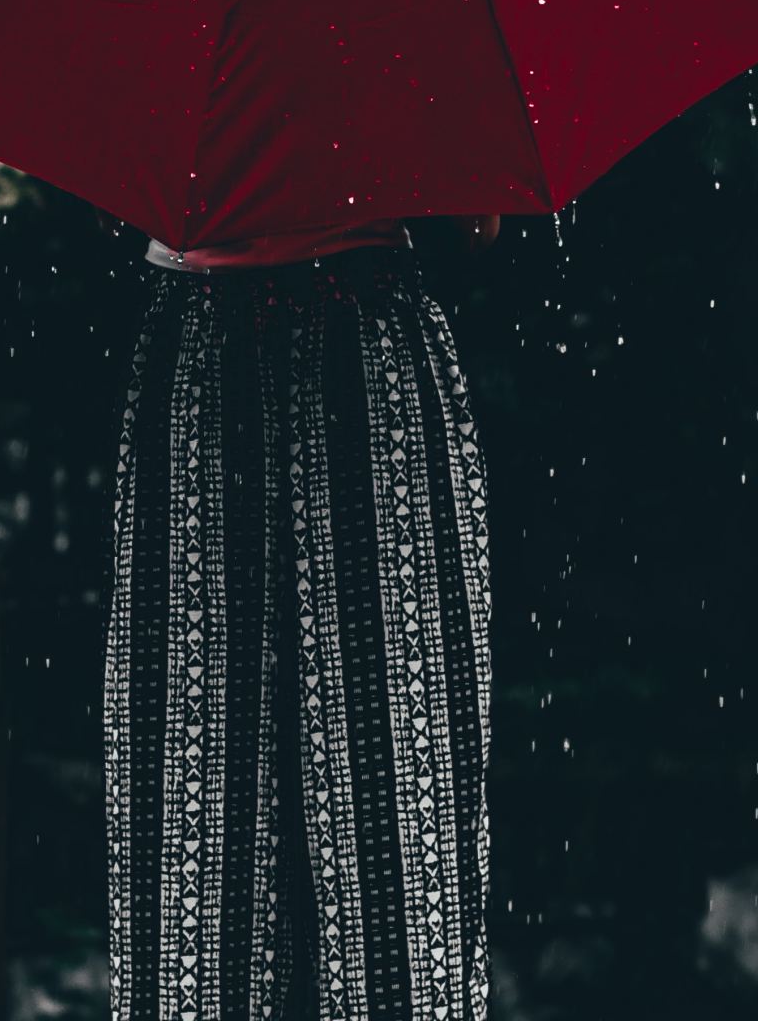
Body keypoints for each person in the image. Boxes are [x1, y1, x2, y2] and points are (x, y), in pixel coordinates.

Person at [96, 202, 500, 1019]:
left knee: (195, 810)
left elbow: (122, 178)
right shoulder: (410, 71)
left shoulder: (174, 76)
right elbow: (477, 223)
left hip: (211, 325)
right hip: (360, 333)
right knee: (397, 808)